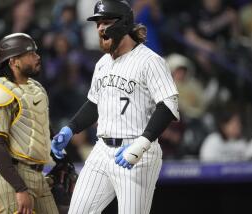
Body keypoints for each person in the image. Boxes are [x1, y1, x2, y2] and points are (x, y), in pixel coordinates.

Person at [51, 0, 180, 213]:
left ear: (124, 24)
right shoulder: (102, 63)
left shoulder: (150, 61)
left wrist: (142, 144)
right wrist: (71, 128)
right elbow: (94, 103)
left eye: (106, 22)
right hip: (101, 150)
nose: (100, 28)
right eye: (98, 23)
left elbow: (168, 105)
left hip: (137, 150)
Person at [0, 33, 59, 214]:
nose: (38, 57)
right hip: (9, 177)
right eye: (31, 54)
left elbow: (43, 130)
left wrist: (62, 163)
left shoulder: (35, 89)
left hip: (37, 175)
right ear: (13, 61)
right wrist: (19, 187)